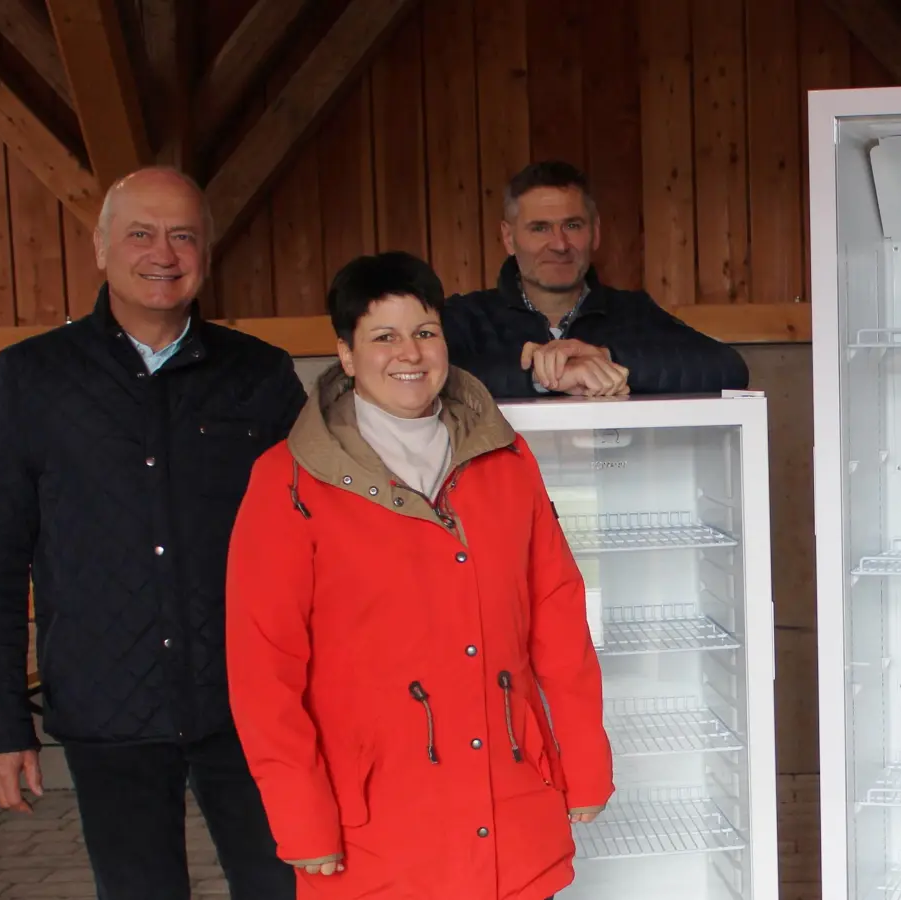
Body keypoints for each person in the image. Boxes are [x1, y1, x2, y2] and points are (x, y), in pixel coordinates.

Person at [225, 251, 613, 898]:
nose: (409, 353)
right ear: (346, 354)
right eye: (383, 336)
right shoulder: (286, 482)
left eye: (425, 331)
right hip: (377, 830)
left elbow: (557, 615)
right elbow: (263, 670)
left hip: (511, 808)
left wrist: (585, 760)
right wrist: (300, 816)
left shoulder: (504, 457)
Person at [0, 167, 304, 898]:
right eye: (141, 234)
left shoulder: (259, 374)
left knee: (285, 888)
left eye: (183, 236)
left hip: (248, 703)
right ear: (101, 248)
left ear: (206, 253)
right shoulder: (32, 378)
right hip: (106, 707)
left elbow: (315, 548)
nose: (163, 253)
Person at [443, 160, 751, 397]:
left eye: (573, 225)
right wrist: (541, 377)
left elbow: (729, 368)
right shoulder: (468, 317)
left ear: (596, 232)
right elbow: (435, 378)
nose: (560, 244)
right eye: (540, 228)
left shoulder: (634, 312)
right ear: (509, 238)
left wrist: (607, 358)